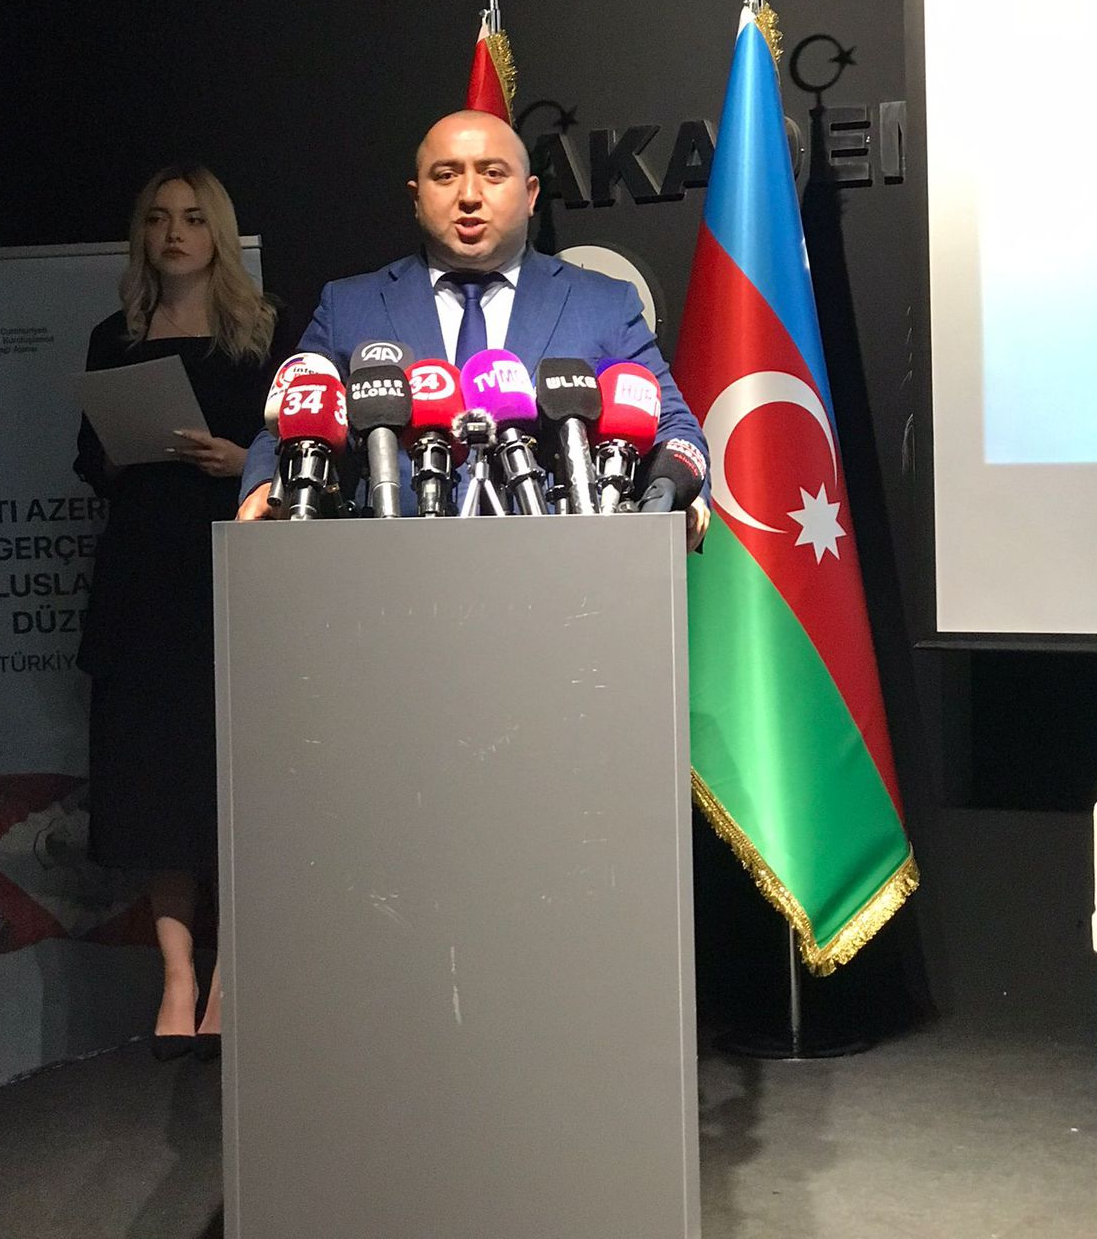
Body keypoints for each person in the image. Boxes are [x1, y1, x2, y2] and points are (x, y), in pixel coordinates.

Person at [238, 109, 710, 542]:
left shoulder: (604, 303)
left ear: (530, 195)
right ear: (416, 198)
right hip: (390, 570)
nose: (468, 195)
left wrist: (677, 493)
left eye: (492, 174)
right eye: (446, 175)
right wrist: (263, 485)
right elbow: (290, 421)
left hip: (560, 570)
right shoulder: (349, 306)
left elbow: (672, 425)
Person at [75, 164, 288, 1060]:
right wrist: (122, 451)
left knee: (232, 779)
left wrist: (238, 460)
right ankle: (176, 978)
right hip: (142, 583)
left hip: (230, 570)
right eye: (159, 218)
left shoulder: (263, 333)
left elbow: (294, 452)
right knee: (157, 788)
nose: (174, 233)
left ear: (218, 233)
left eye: (194, 218)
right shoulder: (114, 336)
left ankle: (232, 976)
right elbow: (88, 459)